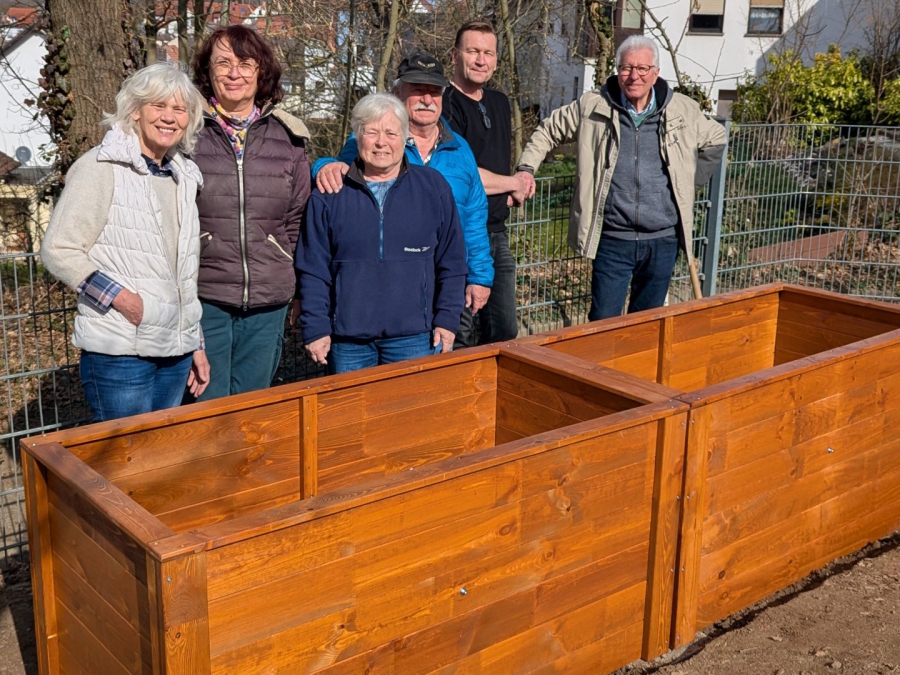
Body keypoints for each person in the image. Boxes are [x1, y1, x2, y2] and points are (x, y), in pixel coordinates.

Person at [40, 63, 209, 421]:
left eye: (179, 109)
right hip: (120, 352)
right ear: (135, 110)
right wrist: (124, 300)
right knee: (125, 454)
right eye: (158, 105)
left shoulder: (185, 178)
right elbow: (59, 250)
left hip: (176, 352)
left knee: (159, 450)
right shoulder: (100, 168)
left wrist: (195, 341)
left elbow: (183, 273)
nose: (169, 117)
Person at [515, 35, 726, 320]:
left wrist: (689, 184)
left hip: (662, 240)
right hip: (613, 239)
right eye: (626, 68)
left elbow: (716, 138)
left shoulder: (682, 110)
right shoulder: (593, 107)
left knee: (646, 325)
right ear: (617, 71)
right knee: (603, 323)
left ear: (656, 73)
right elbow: (548, 130)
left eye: (642, 68)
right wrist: (526, 169)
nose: (634, 76)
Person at [313, 49, 492, 348]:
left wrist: (480, 276)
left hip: (448, 283)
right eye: (417, 90)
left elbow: (474, 216)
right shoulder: (376, 142)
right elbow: (340, 174)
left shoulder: (460, 149)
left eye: (434, 91)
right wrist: (322, 166)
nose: (427, 99)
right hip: (399, 287)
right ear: (397, 93)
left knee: (450, 361)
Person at [296, 93, 468, 374]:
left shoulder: (432, 188)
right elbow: (312, 268)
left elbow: (453, 260)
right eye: (371, 132)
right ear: (357, 137)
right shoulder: (330, 194)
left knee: (411, 404)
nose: (381, 142)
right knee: (351, 405)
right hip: (348, 341)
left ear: (405, 137)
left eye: (391, 133)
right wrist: (315, 327)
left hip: (416, 337)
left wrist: (448, 319)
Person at [189, 25, 311, 400]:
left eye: (245, 63)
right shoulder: (186, 133)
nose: (234, 73)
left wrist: (297, 287)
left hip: (267, 299)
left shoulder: (288, 138)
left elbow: (298, 219)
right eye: (223, 62)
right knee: (205, 405)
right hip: (203, 295)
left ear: (261, 72)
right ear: (207, 71)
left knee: (252, 406)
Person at [443, 19, 529, 344]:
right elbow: (461, 173)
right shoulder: (445, 105)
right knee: (459, 333)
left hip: (497, 232)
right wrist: (510, 183)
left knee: (504, 330)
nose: (482, 60)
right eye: (473, 51)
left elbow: (497, 163)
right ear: (455, 55)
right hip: (460, 234)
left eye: (489, 53)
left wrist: (516, 181)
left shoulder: (499, 102)